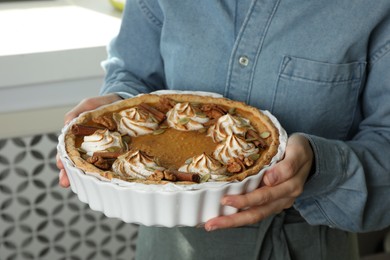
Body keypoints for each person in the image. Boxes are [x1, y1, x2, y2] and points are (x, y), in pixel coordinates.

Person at [57, 1, 390, 259]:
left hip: (305, 246)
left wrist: (320, 166)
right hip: (169, 247)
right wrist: (117, 104)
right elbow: (135, 73)